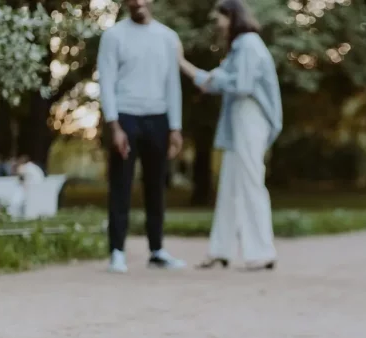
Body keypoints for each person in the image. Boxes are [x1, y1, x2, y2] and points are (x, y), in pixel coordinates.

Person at [178, 0, 282, 271]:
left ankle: (262, 252)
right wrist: (185, 65)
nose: (218, 25)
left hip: (250, 117)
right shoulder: (240, 48)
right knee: (230, 186)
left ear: (232, 17)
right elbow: (214, 82)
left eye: (220, 19)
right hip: (240, 120)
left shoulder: (248, 44)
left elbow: (241, 85)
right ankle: (220, 250)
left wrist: (211, 76)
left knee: (250, 183)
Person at [97, 0, 186, 273]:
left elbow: (173, 84)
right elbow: (106, 82)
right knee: (121, 185)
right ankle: (117, 252)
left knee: (156, 186)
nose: (137, 2)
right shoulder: (113, 36)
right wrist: (114, 126)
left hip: (158, 118)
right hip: (125, 117)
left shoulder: (168, 37)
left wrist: (175, 127)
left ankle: (157, 250)